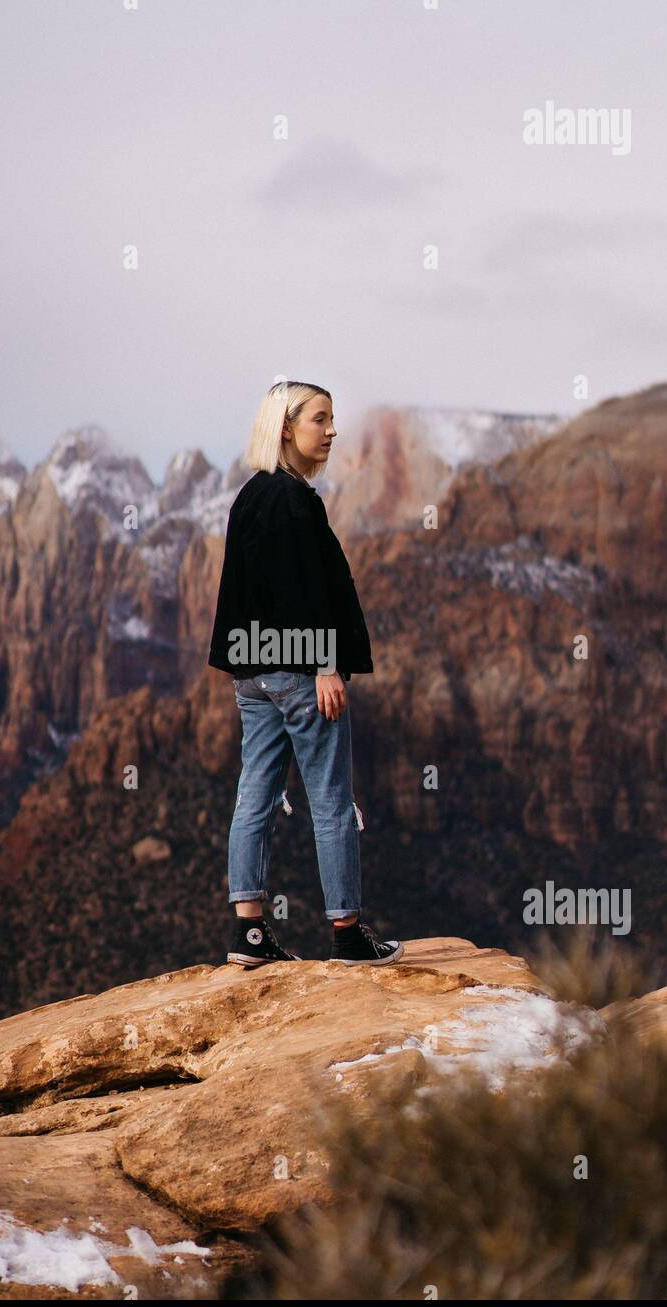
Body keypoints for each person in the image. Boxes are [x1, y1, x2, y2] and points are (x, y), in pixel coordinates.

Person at [207, 379, 404, 968]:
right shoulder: (297, 501)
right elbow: (306, 591)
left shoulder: (248, 497)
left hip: (253, 671)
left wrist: (248, 665)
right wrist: (325, 665)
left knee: (257, 795)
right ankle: (347, 935)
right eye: (321, 419)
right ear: (287, 427)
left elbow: (245, 592)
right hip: (298, 671)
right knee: (331, 802)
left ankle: (250, 934)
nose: (333, 430)